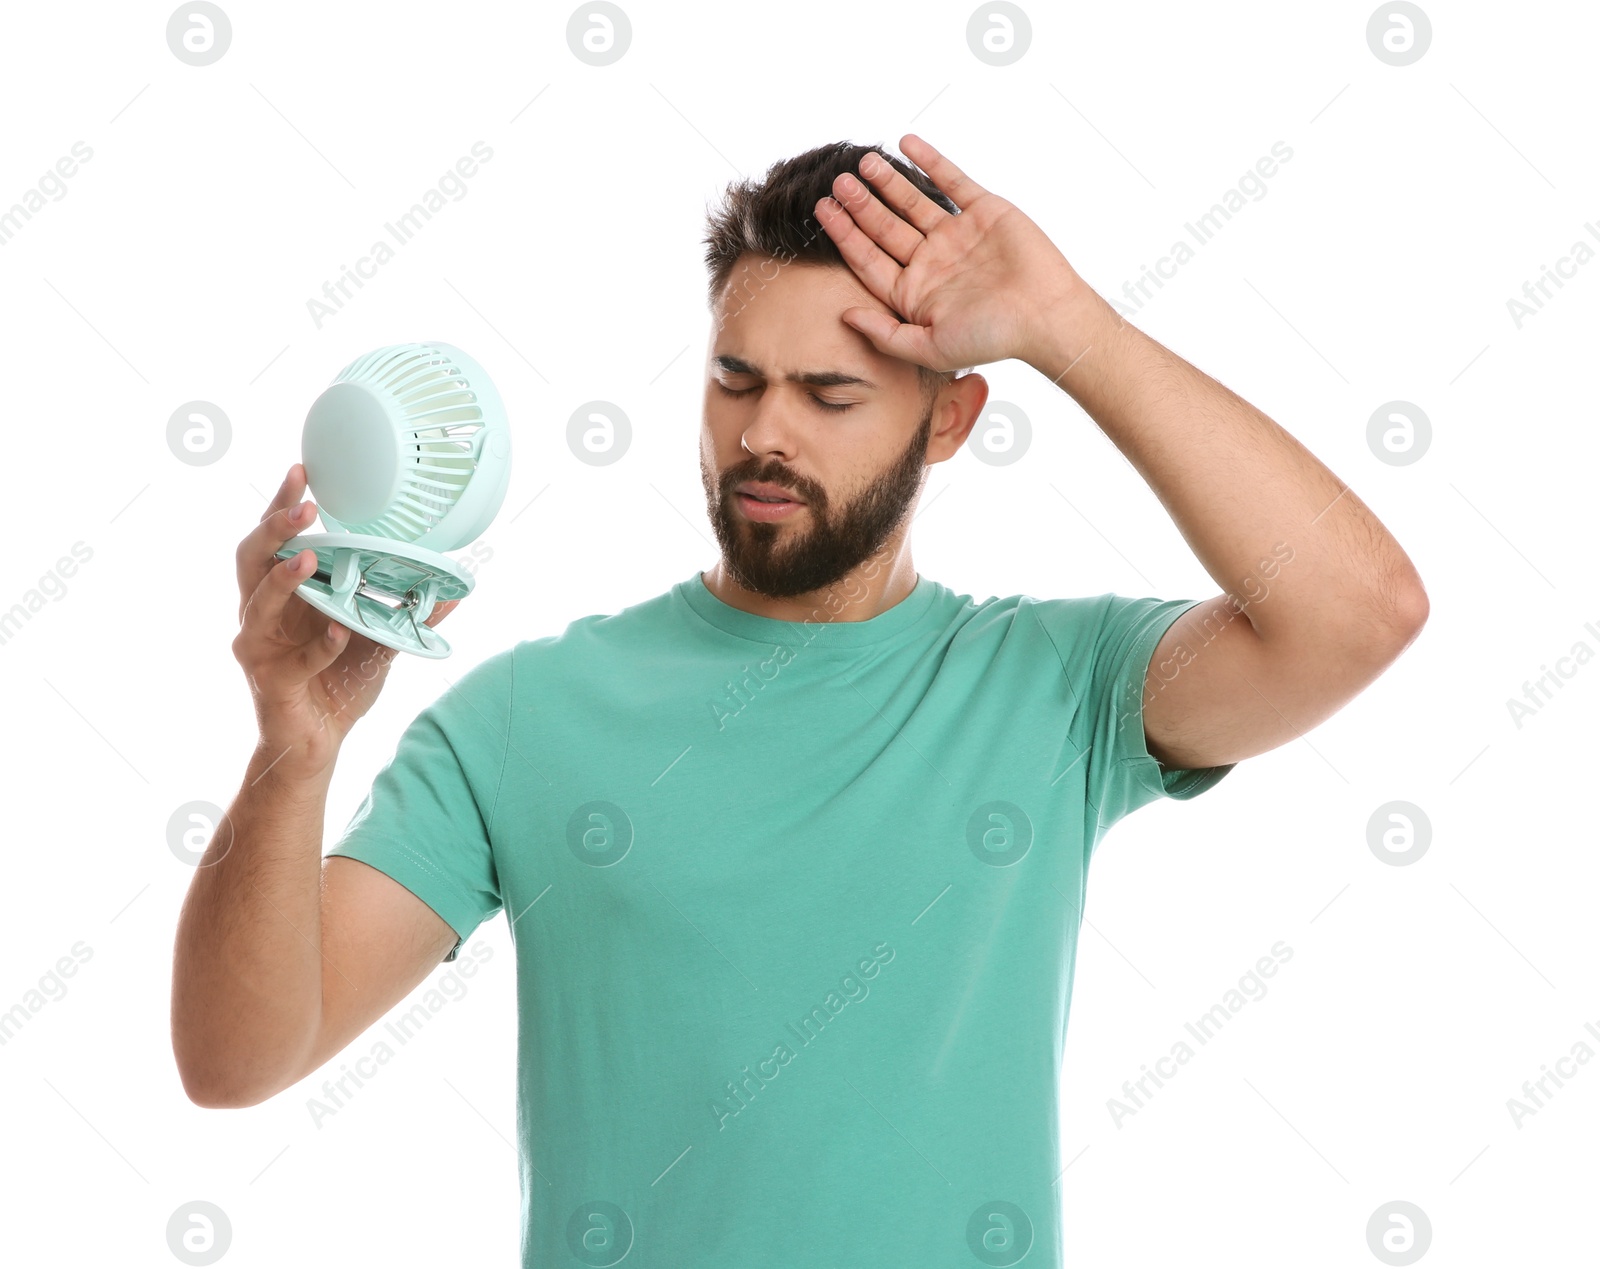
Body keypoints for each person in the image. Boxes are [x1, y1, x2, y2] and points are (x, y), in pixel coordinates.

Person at [172, 133, 1427, 1267]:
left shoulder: (1056, 690)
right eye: (736, 380)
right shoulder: (525, 717)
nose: (765, 434)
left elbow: (1357, 613)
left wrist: (1068, 327)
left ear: (949, 421)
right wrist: (296, 744)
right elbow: (236, 1060)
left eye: (830, 395)